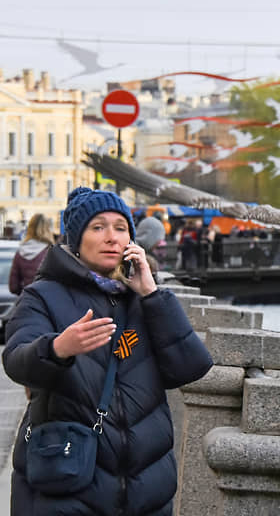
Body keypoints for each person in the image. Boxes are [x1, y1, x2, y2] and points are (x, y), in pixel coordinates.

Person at [2, 187, 213, 515]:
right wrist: (58, 348)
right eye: (98, 227)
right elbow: (16, 361)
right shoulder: (42, 296)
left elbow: (190, 368)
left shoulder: (145, 299)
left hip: (145, 488)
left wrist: (153, 294)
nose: (111, 237)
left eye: (120, 227)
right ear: (76, 239)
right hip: (67, 483)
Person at [9, 213, 55, 295]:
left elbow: (13, 287)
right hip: (46, 303)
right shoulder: (51, 252)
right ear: (47, 229)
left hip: (26, 303)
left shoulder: (20, 252)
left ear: (29, 228)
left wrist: (26, 293)